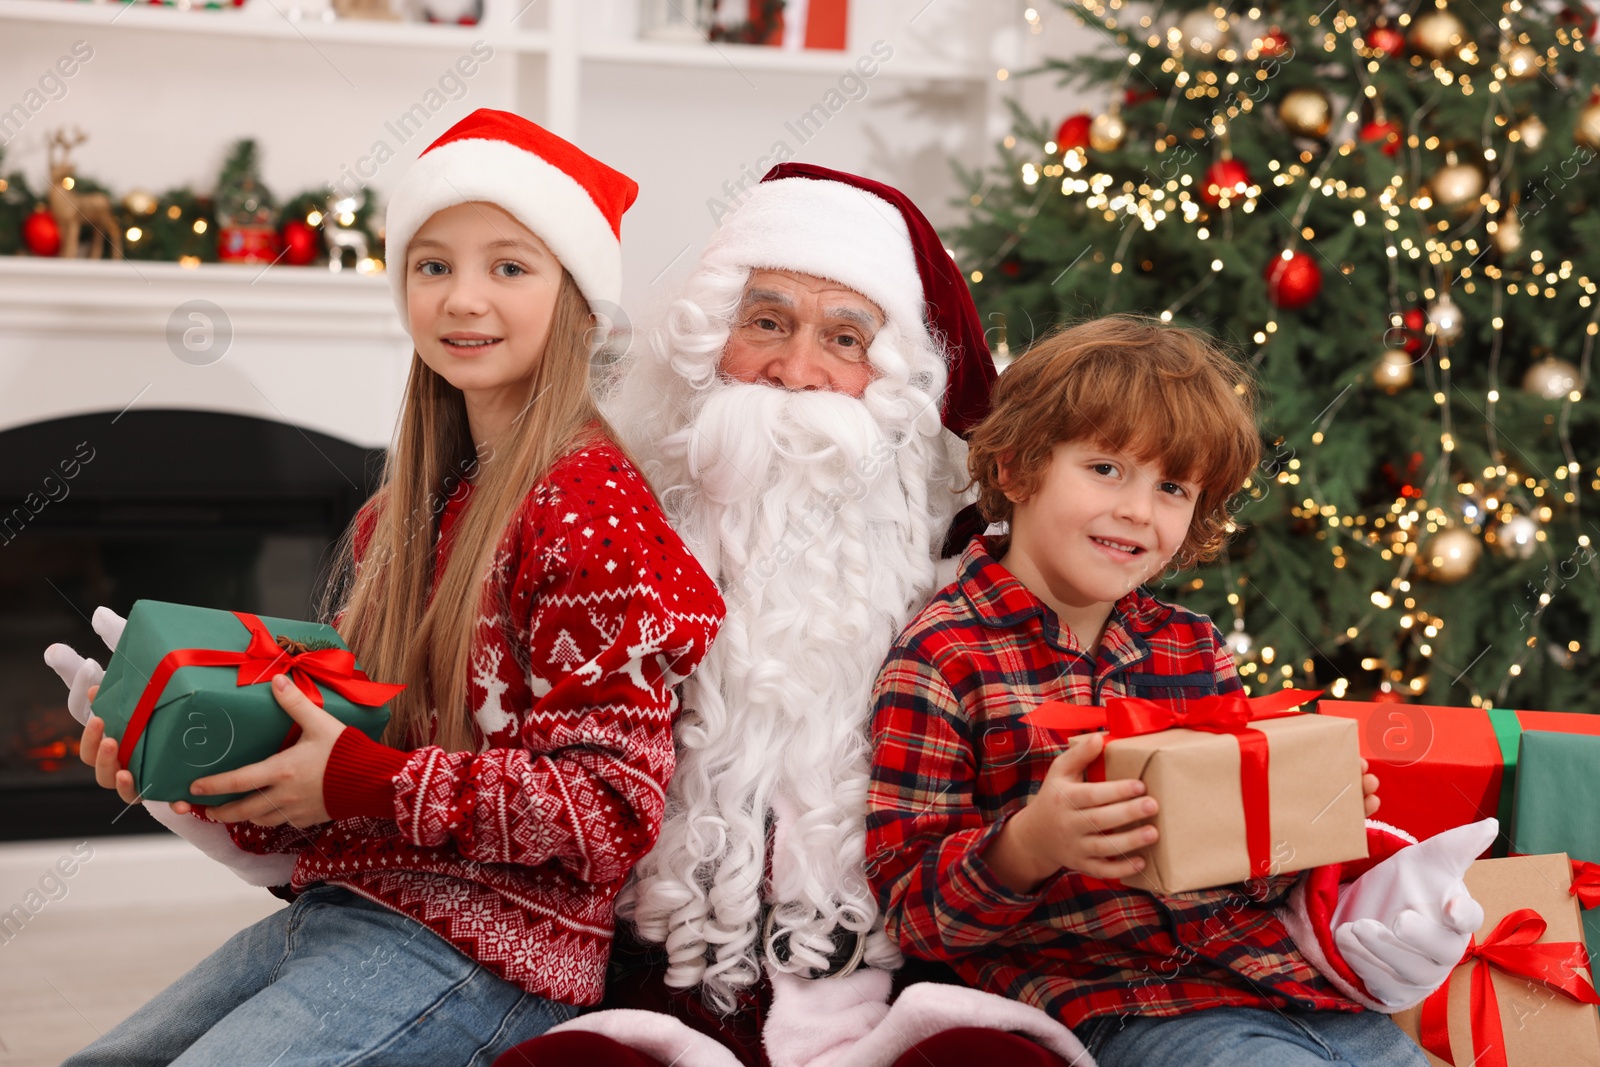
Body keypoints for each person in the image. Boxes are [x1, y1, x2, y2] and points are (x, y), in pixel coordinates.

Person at [49, 108, 724, 1067]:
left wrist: (365, 778)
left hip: (492, 954)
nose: (462, 299)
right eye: (433, 264)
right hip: (346, 909)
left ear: (578, 302)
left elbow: (611, 807)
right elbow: (337, 769)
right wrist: (175, 756)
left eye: (510, 266)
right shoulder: (400, 518)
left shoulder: (590, 507)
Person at [502, 166, 1090, 1066]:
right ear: (709, 341)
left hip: (898, 987)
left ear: (891, 384)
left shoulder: (962, 577)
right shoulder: (612, 533)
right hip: (654, 979)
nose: (795, 371)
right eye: (767, 323)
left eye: (844, 339)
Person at [864, 315, 1495, 1067]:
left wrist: (1304, 817)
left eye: (1171, 486)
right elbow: (909, 914)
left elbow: (1250, 876)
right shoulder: (943, 655)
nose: (1138, 509)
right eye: (1106, 468)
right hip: (1118, 1006)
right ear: (1016, 468)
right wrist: (1029, 846)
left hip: (1281, 984)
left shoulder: (1188, 643)